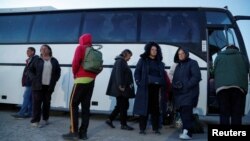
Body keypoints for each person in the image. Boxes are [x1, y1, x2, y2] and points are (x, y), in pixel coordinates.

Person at [62, 33, 101, 140]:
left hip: (81, 80)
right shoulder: (93, 50)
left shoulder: (80, 48)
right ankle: (83, 133)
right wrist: (92, 76)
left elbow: (75, 63)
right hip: (91, 81)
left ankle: (73, 132)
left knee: (73, 105)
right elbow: (98, 67)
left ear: (81, 40)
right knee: (85, 107)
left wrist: (75, 74)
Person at [133, 41, 167, 135]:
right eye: (152, 49)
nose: (154, 51)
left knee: (155, 110)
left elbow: (162, 75)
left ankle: (156, 129)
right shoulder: (143, 60)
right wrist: (138, 82)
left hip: (157, 90)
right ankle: (142, 129)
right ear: (148, 50)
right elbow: (137, 72)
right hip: (145, 88)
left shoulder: (160, 62)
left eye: (156, 50)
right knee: (144, 109)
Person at [214, 45, 249, 125]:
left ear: (226, 49)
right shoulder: (242, 57)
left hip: (221, 89)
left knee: (224, 113)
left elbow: (214, 69)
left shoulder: (219, 56)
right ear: (237, 49)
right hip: (238, 88)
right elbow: (247, 69)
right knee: (236, 114)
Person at [172, 47, 201, 140]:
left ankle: (187, 133)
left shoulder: (193, 63)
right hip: (180, 94)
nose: (180, 55)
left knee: (186, 113)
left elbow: (196, 77)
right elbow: (175, 80)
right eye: (179, 54)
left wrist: (185, 85)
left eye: (182, 53)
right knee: (183, 113)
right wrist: (175, 86)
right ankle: (186, 131)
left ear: (186, 54)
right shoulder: (178, 66)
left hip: (189, 93)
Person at [28, 44, 61, 127]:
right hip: (37, 85)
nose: (43, 49)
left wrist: (55, 80)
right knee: (37, 103)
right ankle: (35, 121)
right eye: (41, 48)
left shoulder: (54, 60)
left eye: (45, 48)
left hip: (49, 86)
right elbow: (30, 70)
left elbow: (58, 71)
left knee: (46, 103)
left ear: (49, 50)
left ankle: (45, 118)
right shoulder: (37, 60)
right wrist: (34, 79)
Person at [105, 49, 135, 130]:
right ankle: (123, 124)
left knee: (120, 106)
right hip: (121, 89)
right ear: (125, 54)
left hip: (123, 88)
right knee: (123, 106)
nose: (130, 58)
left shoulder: (122, 62)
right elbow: (118, 74)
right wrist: (120, 86)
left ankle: (110, 119)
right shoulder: (120, 61)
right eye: (129, 56)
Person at [12, 47, 39, 119]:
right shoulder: (30, 60)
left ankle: (21, 113)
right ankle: (30, 113)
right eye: (27, 51)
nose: (27, 52)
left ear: (33, 52)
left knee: (26, 97)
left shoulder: (35, 60)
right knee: (30, 98)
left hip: (31, 82)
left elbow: (35, 71)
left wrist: (32, 79)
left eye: (28, 51)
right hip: (29, 82)